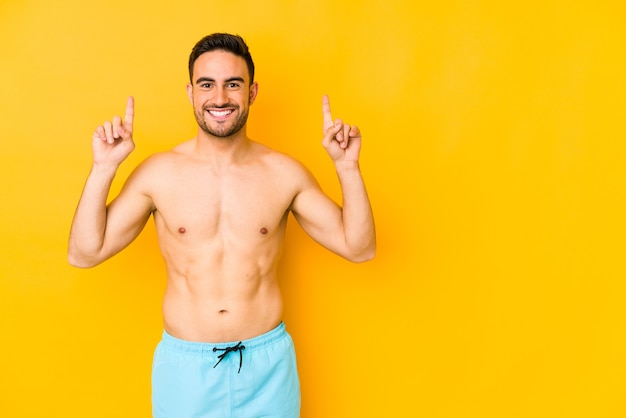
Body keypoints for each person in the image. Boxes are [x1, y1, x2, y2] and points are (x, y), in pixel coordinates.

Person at [68, 33, 376, 418]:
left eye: (233, 84)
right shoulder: (158, 174)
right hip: (186, 371)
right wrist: (103, 169)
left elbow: (359, 247)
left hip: (267, 368)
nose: (220, 98)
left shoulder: (283, 173)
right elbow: (84, 253)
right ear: (190, 92)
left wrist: (347, 169)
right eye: (207, 84)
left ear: (252, 91)